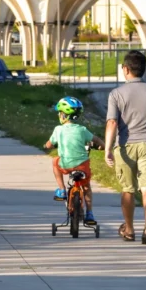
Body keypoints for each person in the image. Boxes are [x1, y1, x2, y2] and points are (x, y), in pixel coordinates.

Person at [104, 51, 146, 245]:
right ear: (143, 69)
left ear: (126, 69)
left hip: (125, 145)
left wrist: (107, 150)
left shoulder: (116, 94)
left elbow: (112, 123)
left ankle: (129, 229)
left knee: (128, 189)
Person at [44, 96, 105, 224]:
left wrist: (46, 146)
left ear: (63, 115)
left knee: (55, 161)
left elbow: (49, 144)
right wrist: (103, 147)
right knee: (87, 187)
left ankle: (61, 190)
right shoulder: (82, 130)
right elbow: (96, 140)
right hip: (82, 166)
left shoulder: (58, 130)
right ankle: (89, 214)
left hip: (65, 165)